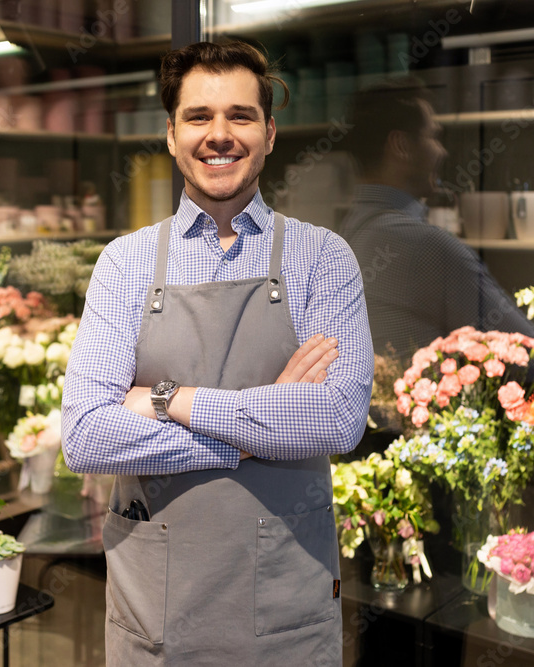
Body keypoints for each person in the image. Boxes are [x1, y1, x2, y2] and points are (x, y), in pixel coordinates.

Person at [61, 41, 373, 665]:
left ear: (270, 133)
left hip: (286, 613)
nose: (220, 135)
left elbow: (337, 420)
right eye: (199, 117)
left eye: (241, 115)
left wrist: (168, 400)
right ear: (171, 134)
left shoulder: (324, 258)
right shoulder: (123, 264)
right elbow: (87, 437)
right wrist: (260, 429)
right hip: (156, 616)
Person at [339, 78, 534, 367]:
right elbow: (532, 353)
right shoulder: (423, 245)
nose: (442, 151)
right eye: (433, 137)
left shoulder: (347, 230)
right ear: (402, 145)